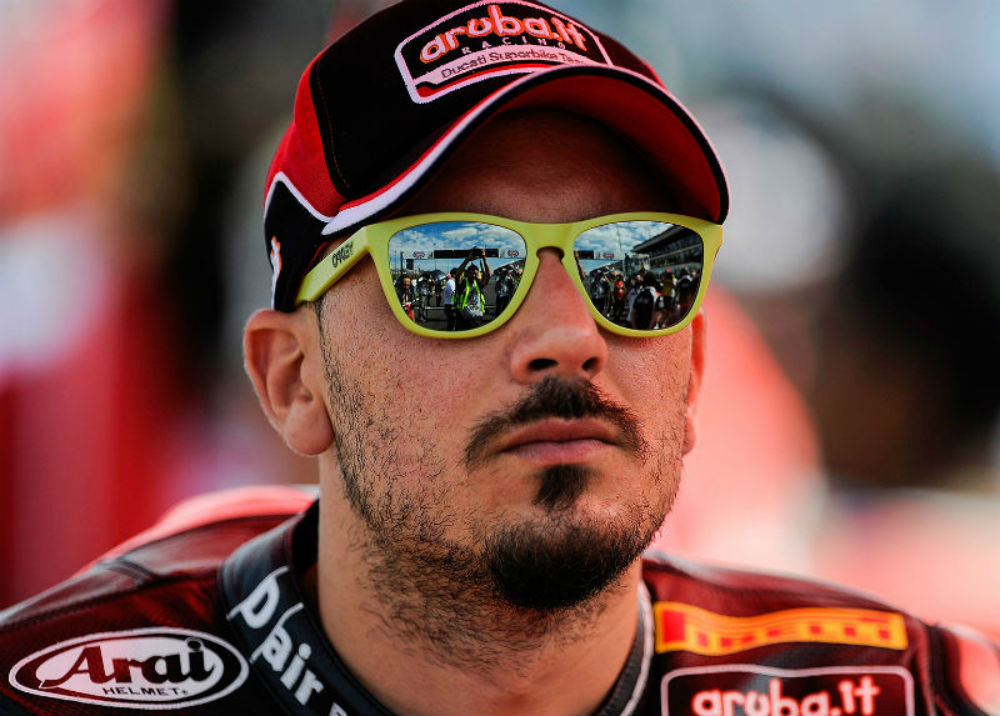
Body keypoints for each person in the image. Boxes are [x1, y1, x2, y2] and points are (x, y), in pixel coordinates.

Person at [0, 2, 995, 715]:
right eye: (456, 268)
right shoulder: (64, 682)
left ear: (693, 367)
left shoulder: (911, 690)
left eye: (635, 266)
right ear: (292, 382)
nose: (571, 335)